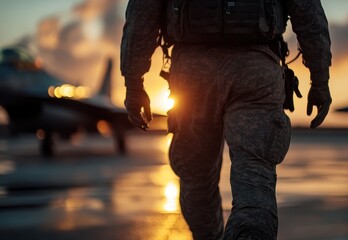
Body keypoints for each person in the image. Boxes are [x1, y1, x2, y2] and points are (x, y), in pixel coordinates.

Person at [120, 0, 332, 239]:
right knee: (255, 174)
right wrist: (320, 78)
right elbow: (307, 10)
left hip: (193, 75)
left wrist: (134, 83)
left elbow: (142, 12)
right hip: (256, 71)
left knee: (197, 177)